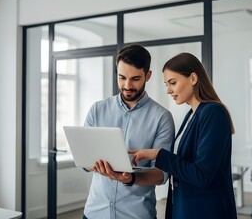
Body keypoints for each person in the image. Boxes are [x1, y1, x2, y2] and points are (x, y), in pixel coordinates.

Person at [130, 52, 237, 219]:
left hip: (205, 211)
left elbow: (202, 175)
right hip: (185, 207)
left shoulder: (214, 113)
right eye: (166, 84)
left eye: (173, 83)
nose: (168, 90)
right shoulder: (191, 115)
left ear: (193, 78)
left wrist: (158, 155)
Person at [83, 44, 175, 219]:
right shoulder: (97, 109)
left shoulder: (162, 117)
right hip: (94, 213)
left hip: (136, 215)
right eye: (122, 77)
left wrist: (130, 179)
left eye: (135, 78)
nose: (127, 85)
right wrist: (93, 164)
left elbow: (161, 174)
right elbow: (84, 160)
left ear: (148, 76)